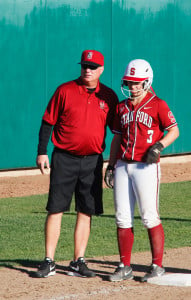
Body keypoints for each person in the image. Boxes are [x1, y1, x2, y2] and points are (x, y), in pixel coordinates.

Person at [35, 49, 119, 278]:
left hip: (92, 161)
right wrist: (42, 152)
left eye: (92, 67)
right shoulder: (65, 90)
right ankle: (49, 260)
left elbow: (118, 130)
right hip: (64, 158)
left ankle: (77, 261)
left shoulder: (109, 96)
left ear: (101, 69)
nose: (87, 70)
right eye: (84, 66)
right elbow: (47, 122)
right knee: (55, 208)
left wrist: (116, 163)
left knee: (86, 210)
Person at [104, 59, 179, 282]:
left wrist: (159, 146)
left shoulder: (159, 104)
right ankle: (124, 265)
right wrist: (110, 163)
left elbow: (174, 130)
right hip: (123, 165)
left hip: (146, 167)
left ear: (147, 82)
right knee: (122, 217)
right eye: (129, 82)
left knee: (149, 215)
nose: (133, 87)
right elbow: (117, 137)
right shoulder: (121, 106)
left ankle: (157, 265)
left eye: (137, 83)